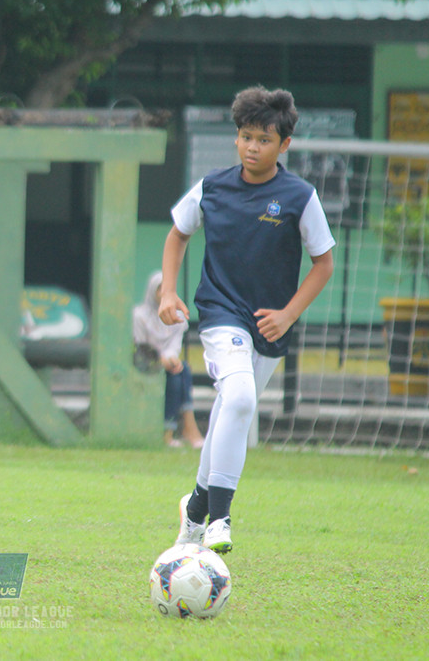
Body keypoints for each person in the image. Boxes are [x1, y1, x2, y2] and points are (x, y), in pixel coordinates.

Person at [158, 86, 335, 555]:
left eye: (263, 139)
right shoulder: (212, 187)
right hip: (219, 314)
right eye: (245, 136)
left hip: (269, 327)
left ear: (284, 146)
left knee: (229, 412)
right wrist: (169, 291)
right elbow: (178, 235)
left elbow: (324, 263)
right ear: (236, 139)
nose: (252, 146)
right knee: (238, 398)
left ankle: (195, 508)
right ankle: (219, 516)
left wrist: (289, 314)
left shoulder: (300, 197)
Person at [133, 270, 204, 450]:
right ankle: (183, 429)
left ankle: (173, 431)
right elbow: (140, 346)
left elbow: (174, 345)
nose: (163, 293)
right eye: (159, 289)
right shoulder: (139, 316)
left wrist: (170, 359)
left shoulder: (177, 317)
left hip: (168, 363)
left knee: (180, 372)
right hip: (144, 363)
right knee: (181, 373)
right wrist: (159, 360)